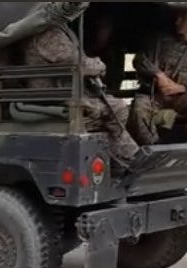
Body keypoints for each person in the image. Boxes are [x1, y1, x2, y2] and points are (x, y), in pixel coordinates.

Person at [22, 2, 140, 165]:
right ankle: (125, 157)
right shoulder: (47, 34)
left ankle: (125, 156)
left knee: (116, 107)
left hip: (64, 91)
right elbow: (76, 63)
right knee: (114, 109)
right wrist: (99, 65)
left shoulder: (55, 30)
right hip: (55, 96)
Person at [128, 8, 187, 144]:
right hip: (156, 96)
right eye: (176, 17)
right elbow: (140, 60)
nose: (177, 22)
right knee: (139, 107)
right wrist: (159, 75)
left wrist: (181, 88)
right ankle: (153, 145)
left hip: (181, 98)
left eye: (182, 18)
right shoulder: (159, 42)